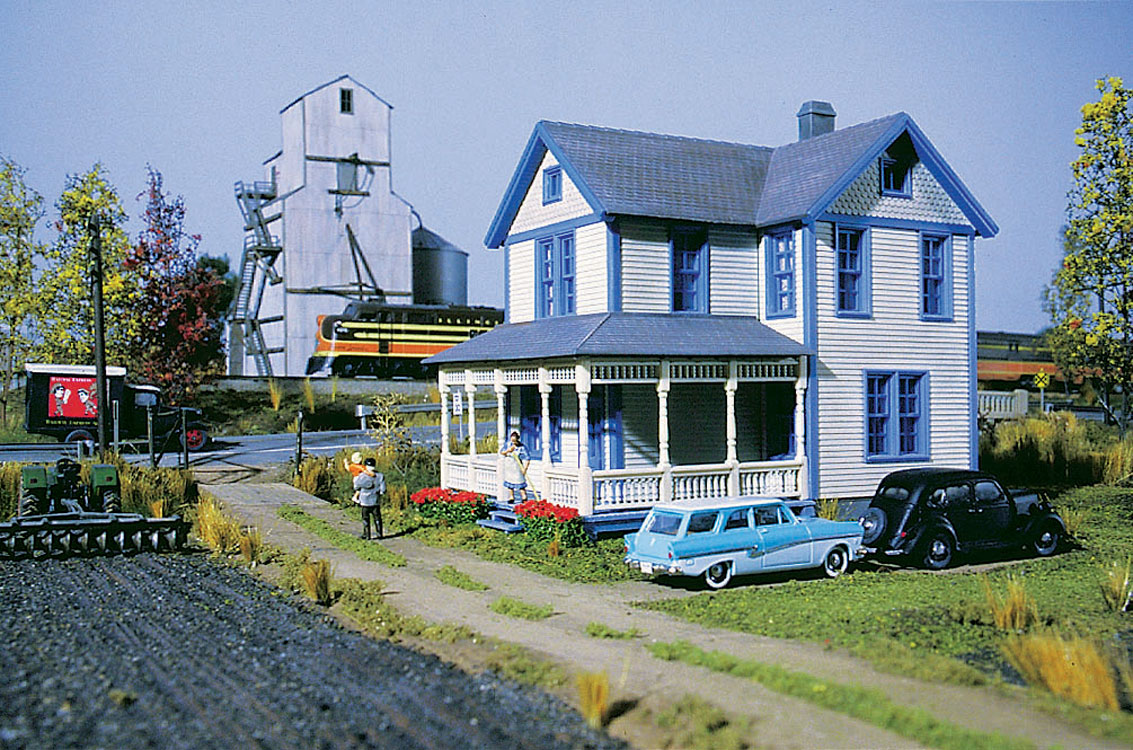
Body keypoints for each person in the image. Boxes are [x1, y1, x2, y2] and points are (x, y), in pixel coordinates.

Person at [353, 457, 385, 539]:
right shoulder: (380, 476)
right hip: (375, 500)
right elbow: (383, 490)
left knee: (365, 518)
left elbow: (356, 487)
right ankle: (379, 534)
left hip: (364, 501)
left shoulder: (362, 476)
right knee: (377, 518)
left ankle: (367, 535)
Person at [499, 431, 530, 504]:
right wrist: (508, 451)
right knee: (510, 481)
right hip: (509, 465)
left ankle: (524, 497)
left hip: (517, 466)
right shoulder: (508, 444)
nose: (513, 442)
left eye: (514, 441)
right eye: (512, 440)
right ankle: (511, 497)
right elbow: (502, 452)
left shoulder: (521, 447)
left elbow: (527, 458)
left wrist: (525, 469)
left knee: (520, 481)